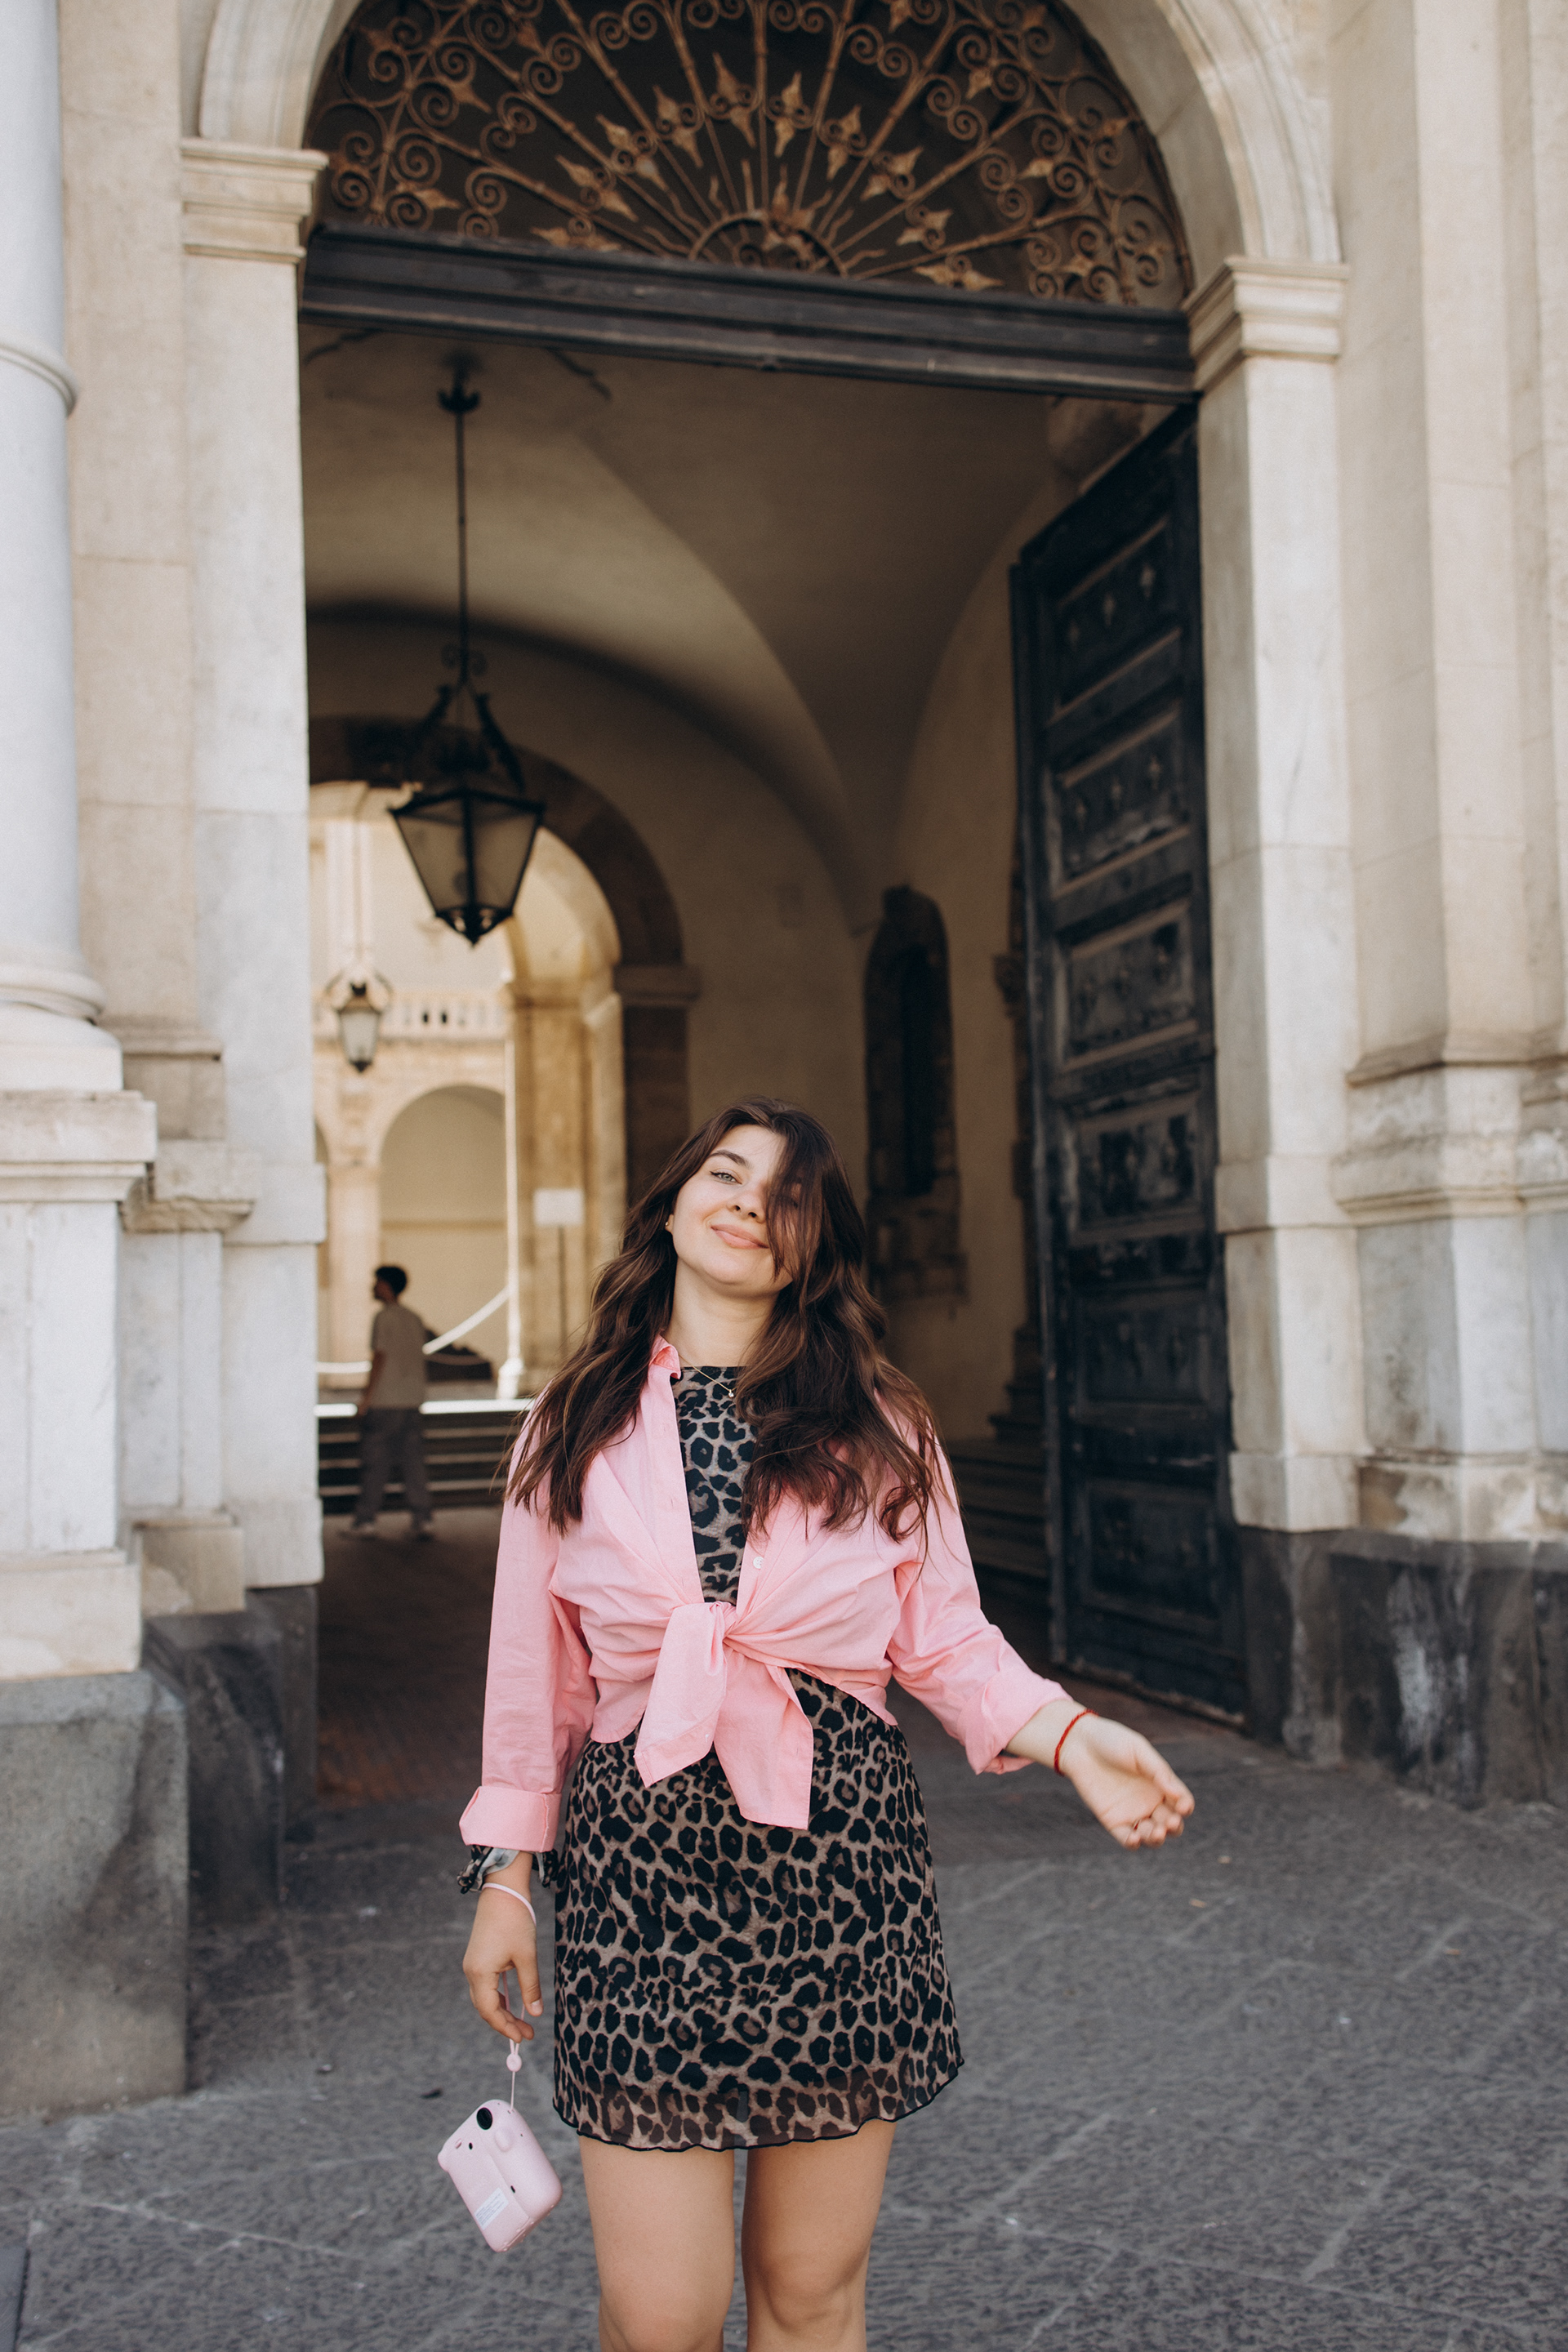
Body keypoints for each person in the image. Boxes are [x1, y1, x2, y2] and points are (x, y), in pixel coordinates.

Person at [458, 1099, 1193, 2352]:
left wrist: (1073, 1736)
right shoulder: (570, 1427)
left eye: (787, 1193)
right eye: (725, 1173)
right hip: (642, 1883)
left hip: (840, 1872)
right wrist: (507, 1881)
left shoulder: (883, 1428)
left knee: (809, 2290)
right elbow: (537, 1686)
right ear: (672, 1204)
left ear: (816, 1245)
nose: (749, 1203)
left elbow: (946, 1640)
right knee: (662, 2314)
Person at [350, 1263, 434, 1539]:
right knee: (413, 1463)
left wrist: (366, 1399)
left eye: (377, 1282)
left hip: (386, 1402)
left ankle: (366, 1520)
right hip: (412, 1400)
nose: (373, 1287)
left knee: (375, 1463)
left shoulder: (383, 1318)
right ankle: (423, 1518)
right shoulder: (415, 1318)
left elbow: (380, 1358)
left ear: (386, 1286)